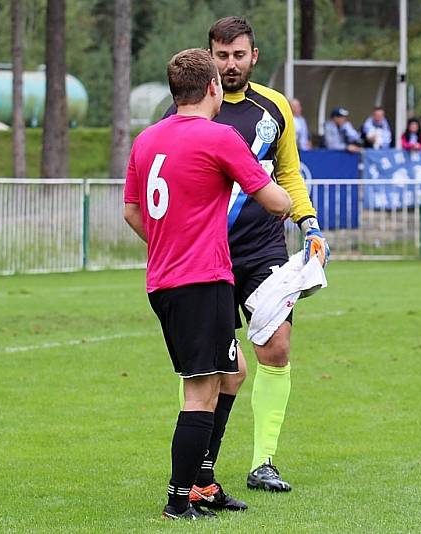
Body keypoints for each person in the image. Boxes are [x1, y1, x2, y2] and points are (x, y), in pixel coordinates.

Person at [162, 16, 329, 503]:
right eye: (222, 55)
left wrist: (309, 223)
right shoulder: (191, 109)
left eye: (239, 55)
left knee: (274, 349)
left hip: (263, 250)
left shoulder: (273, 107)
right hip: (206, 255)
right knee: (208, 366)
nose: (230, 64)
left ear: (254, 56)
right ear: (209, 58)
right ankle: (196, 471)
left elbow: (290, 175)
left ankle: (263, 461)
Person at [123, 49, 291, 520]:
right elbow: (275, 201)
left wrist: (168, 240)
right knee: (200, 391)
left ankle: (203, 482)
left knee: (232, 373)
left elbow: (132, 211)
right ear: (214, 87)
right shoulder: (220, 137)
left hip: (166, 279)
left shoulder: (146, 139)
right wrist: (291, 198)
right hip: (202, 280)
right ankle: (180, 500)